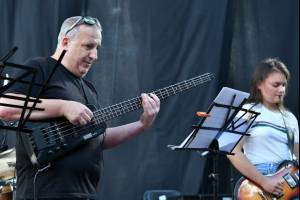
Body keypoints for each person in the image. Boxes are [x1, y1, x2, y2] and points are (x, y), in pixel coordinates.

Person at [0, 16, 160, 200]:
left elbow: (100, 138)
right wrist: (62, 106)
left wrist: (142, 124)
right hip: (45, 192)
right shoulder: (41, 68)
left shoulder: (89, 89)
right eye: (88, 46)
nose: (95, 56)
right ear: (66, 42)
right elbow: (5, 107)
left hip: (84, 193)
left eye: (97, 48)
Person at [227, 58, 299, 198]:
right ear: (259, 84)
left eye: (284, 85)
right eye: (276, 85)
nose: (281, 90)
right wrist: (264, 181)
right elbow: (232, 151)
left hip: (288, 185)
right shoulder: (248, 111)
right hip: (258, 182)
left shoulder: (290, 118)